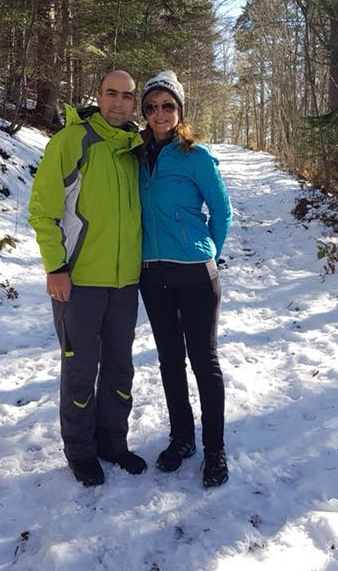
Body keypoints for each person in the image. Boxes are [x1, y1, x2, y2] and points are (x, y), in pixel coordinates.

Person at [28, 69, 147, 487]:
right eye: (111, 94)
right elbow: (43, 210)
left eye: (127, 96)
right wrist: (55, 267)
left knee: (120, 368)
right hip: (78, 281)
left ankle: (113, 442)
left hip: (125, 282)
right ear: (97, 96)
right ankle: (80, 451)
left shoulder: (136, 148)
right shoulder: (72, 141)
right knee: (80, 369)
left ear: (135, 103)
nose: (118, 103)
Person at [138, 70, 233, 488]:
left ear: (180, 112)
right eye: (153, 106)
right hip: (152, 273)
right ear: (144, 112)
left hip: (195, 274)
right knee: (169, 362)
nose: (160, 113)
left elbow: (222, 211)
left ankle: (215, 451)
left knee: (204, 362)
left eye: (168, 106)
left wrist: (207, 252)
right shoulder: (136, 154)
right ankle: (182, 439)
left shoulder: (195, 155)